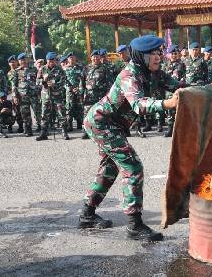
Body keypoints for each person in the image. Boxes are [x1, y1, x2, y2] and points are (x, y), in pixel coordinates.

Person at [80, 35, 180, 242]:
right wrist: (167, 104)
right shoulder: (130, 74)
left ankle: (86, 215)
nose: (159, 57)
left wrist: (202, 89)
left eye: (160, 52)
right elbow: (139, 105)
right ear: (141, 56)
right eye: (154, 53)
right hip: (102, 123)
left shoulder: (153, 73)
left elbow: (179, 85)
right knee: (133, 167)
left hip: (114, 126)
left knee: (109, 169)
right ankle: (134, 225)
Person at [36, 52, 68, 141]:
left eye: (53, 60)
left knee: (61, 113)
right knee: (44, 114)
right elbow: (37, 82)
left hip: (57, 95)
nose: (52, 62)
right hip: (46, 95)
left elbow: (63, 82)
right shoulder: (42, 69)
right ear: (47, 60)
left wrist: (54, 84)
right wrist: (44, 81)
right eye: (50, 60)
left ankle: (64, 131)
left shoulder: (59, 69)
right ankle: (43, 132)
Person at [82, 49, 110, 139]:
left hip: (100, 95)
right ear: (91, 58)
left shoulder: (104, 68)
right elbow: (81, 82)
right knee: (87, 113)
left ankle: (101, 131)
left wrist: (108, 94)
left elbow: (110, 82)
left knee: (101, 114)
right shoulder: (86, 68)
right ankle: (86, 131)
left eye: (97, 57)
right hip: (89, 95)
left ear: (100, 58)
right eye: (94, 57)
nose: (96, 59)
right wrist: (81, 93)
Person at [13, 53, 40, 137]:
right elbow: (14, 85)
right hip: (22, 95)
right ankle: (28, 130)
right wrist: (15, 96)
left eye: (24, 59)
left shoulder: (34, 70)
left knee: (38, 112)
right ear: (19, 61)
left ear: (27, 60)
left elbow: (38, 81)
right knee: (25, 114)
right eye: (21, 60)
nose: (23, 61)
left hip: (34, 95)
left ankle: (42, 127)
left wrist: (39, 92)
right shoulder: (16, 71)